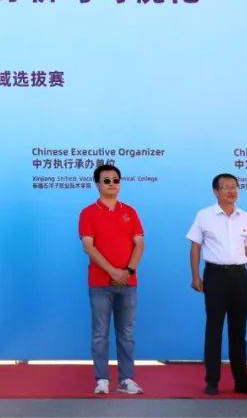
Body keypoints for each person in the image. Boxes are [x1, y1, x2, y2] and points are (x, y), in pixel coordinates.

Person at [187, 173, 247, 396]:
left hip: (240, 277)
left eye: (235, 186)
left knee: (239, 331)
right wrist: (195, 276)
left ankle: (242, 381)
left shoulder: (245, 217)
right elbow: (195, 247)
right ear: (216, 191)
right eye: (226, 187)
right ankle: (212, 381)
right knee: (214, 330)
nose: (232, 191)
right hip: (215, 275)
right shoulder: (204, 215)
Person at [78, 164, 144, 395]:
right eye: (106, 180)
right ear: (98, 184)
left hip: (128, 282)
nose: (112, 184)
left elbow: (139, 244)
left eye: (116, 180)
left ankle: (126, 379)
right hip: (100, 282)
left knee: (126, 334)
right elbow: (88, 246)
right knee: (100, 334)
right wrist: (113, 272)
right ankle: (102, 380)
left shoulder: (130, 211)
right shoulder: (88, 212)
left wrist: (128, 271)